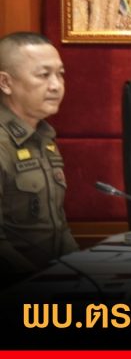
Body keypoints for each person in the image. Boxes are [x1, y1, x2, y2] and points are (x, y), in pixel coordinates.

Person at [0, 32, 77, 276]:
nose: (56, 85)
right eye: (44, 75)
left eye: (60, 74)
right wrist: (41, 284)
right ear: (5, 83)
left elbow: (58, 226)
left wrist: (81, 269)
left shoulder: (43, 137)